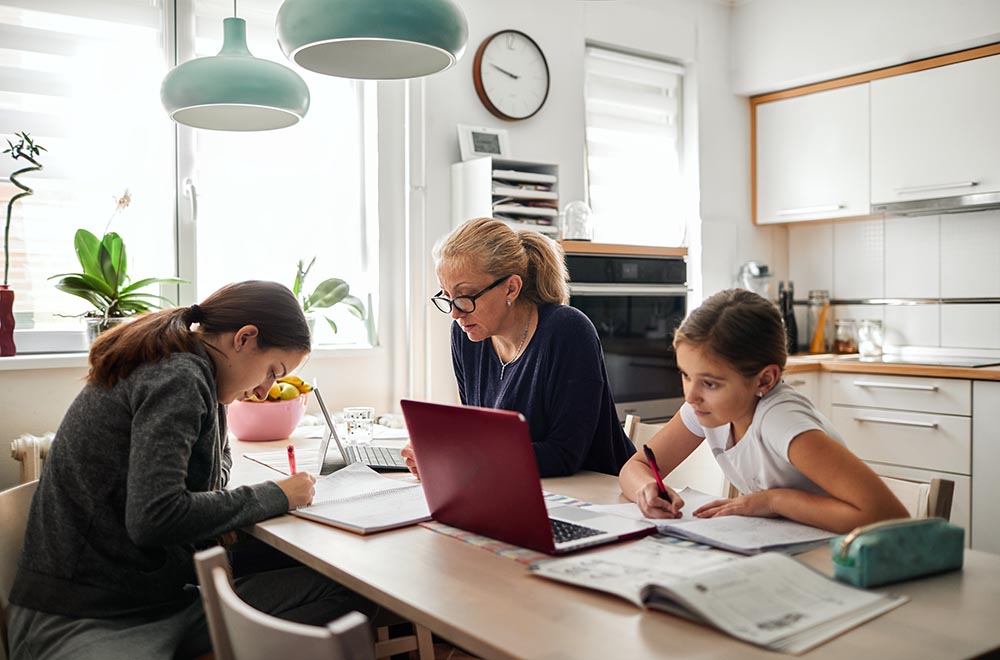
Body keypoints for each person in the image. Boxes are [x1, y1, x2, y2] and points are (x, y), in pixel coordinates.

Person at [8, 281, 374, 660]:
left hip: (151, 593)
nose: (265, 391)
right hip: (88, 613)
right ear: (245, 339)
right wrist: (277, 495)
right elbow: (155, 517)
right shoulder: (178, 376)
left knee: (349, 592)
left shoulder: (200, 372)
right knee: (344, 602)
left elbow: (214, 468)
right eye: (271, 371)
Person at [619, 288, 908, 534]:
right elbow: (635, 467)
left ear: (764, 380)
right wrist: (646, 489)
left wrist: (772, 501)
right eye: (685, 375)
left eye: (710, 382)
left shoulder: (781, 422)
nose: (691, 396)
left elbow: (889, 517)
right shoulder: (707, 407)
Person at [401, 217, 635, 478]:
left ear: (511, 288)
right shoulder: (466, 335)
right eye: (447, 296)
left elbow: (565, 455)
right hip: (516, 486)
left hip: (600, 495)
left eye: (465, 297)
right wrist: (439, 452)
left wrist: (460, 458)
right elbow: (480, 436)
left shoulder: (568, 331)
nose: (455, 313)